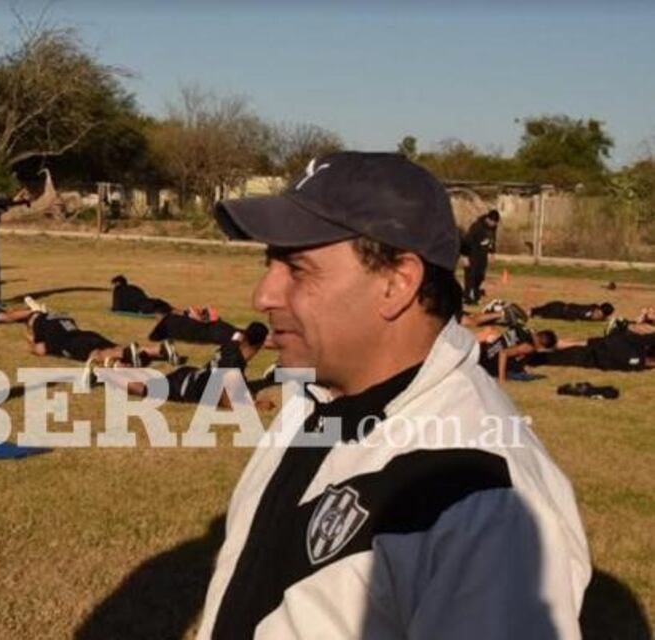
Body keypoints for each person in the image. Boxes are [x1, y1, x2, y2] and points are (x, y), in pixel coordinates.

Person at [199, 151, 589, 639]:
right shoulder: (315, 397)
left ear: (397, 283)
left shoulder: (483, 497)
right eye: (269, 264)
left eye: (297, 269)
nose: (263, 296)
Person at [127, 322, 269, 405]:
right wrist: (254, 405)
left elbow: (236, 337)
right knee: (142, 390)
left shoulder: (232, 346)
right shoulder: (233, 364)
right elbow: (226, 401)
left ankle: (123, 369)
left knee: (148, 383)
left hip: (191, 375)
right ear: (260, 344)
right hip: (185, 387)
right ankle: (115, 375)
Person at [25, 310, 180, 368]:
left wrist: (30, 340)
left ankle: (126, 353)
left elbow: (40, 349)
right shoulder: (59, 316)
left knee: (97, 355)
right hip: (88, 334)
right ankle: (158, 349)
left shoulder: (40, 324)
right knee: (114, 349)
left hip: (73, 343)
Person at [477, 325, 558, 382]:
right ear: (542, 346)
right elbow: (503, 353)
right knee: (533, 377)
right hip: (489, 365)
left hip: (483, 354)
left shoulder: (522, 329)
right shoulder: (529, 346)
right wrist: (502, 378)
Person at [147, 301, 241, 345]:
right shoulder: (171, 322)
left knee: (229, 334)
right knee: (232, 334)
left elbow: (153, 337)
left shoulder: (166, 325)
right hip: (209, 330)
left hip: (207, 331)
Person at [461, 208, 499, 304]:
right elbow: (466, 241)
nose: (494, 225)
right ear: (488, 219)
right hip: (472, 254)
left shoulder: (493, 228)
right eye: (493, 222)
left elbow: (492, 240)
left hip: (482, 256)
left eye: (495, 223)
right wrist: (464, 256)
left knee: (480, 276)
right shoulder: (476, 227)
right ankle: (468, 297)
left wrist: (492, 252)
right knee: (471, 277)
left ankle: (475, 294)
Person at [530, 300, 615, 321]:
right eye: (599, 314)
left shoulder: (593, 312)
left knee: (536, 313)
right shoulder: (589, 310)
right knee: (534, 313)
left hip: (560, 310)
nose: (597, 316)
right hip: (558, 309)